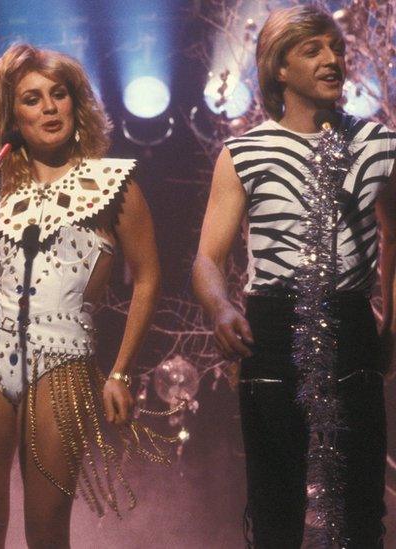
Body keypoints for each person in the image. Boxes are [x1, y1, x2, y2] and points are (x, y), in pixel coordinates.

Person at [0, 43, 164, 548]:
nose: (49, 108)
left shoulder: (115, 185)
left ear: (77, 103)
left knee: (47, 531)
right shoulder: (1, 194)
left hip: (64, 360)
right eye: (32, 99)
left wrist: (119, 371)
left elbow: (149, 278)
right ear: (13, 116)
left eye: (59, 94)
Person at [192, 6, 396, 547]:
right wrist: (220, 307)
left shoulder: (379, 145)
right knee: (275, 509)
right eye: (313, 50)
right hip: (272, 331)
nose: (332, 59)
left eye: (336, 48)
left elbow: (394, 235)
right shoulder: (243, 152)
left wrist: (390, 324)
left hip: (352, 324)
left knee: (360, 513)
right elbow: (207, 259)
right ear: (279, 68)